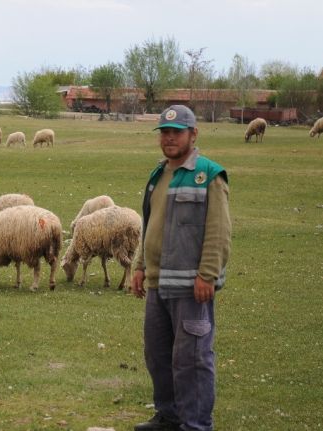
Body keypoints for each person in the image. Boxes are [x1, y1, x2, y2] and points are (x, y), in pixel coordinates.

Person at [131, 105, 231, 431]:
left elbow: (219, 231)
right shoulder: (158, 175)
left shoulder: (208, 175)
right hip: (158, 283)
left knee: (192, 360)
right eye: (165, 132)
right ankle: (169, 416)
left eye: (177, 132)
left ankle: (196, 424)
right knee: (157, 356)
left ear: (193, 134)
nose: (170, 138)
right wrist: (139, 266)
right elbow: (149, 225)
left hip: (191, 286)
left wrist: (208, 274)